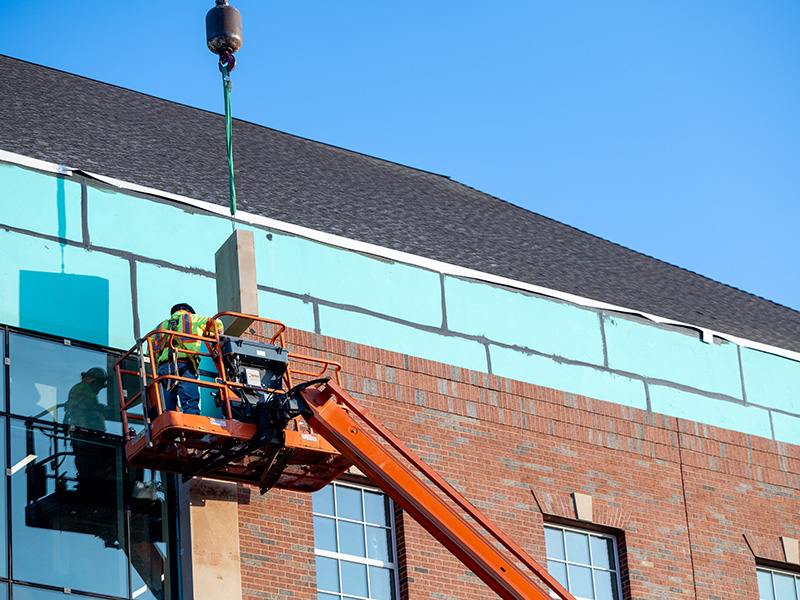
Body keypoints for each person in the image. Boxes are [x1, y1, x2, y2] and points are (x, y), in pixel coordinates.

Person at [149, 303, 223, 416]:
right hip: (183, 366)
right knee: (189, 401)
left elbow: (150, 352)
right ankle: (192, 422)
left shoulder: (159, 327)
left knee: (167, 408)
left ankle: (170, 423)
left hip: (164, 369)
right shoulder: (193, 318)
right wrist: (215, 339)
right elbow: (218, 324)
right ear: (189, 311)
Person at [64, 367, 118, 492]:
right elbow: (85, 406)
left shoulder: (87, 390)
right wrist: (102, 409)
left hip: (89, 433)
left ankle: (97, 480)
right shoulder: (82, 388)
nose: (99, 389)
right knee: (89, 460)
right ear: (94, 381)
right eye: (99, 385)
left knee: (93, 460)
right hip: (84, 433)